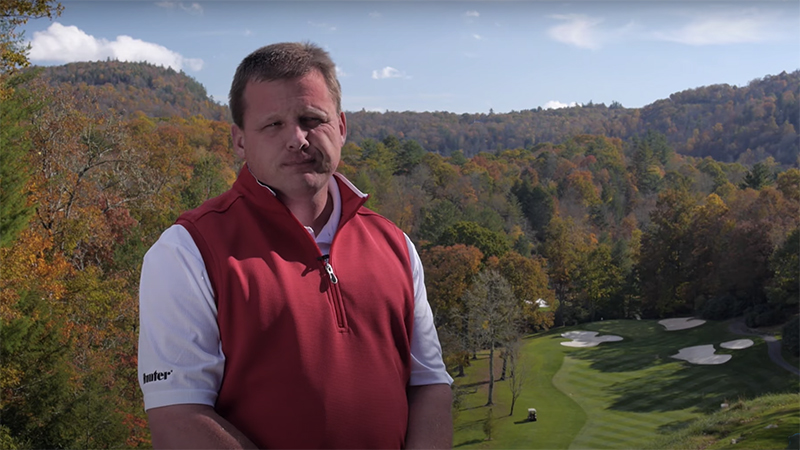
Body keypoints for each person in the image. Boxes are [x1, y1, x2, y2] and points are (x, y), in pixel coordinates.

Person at [137, 41, 454, 449]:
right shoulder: (188, 251)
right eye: (273, 124)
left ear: (341, 127)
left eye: (311, 119)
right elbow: (177, 418)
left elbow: (429, 384)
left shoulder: (395, 245)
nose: (297, 139)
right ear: (239, 141)